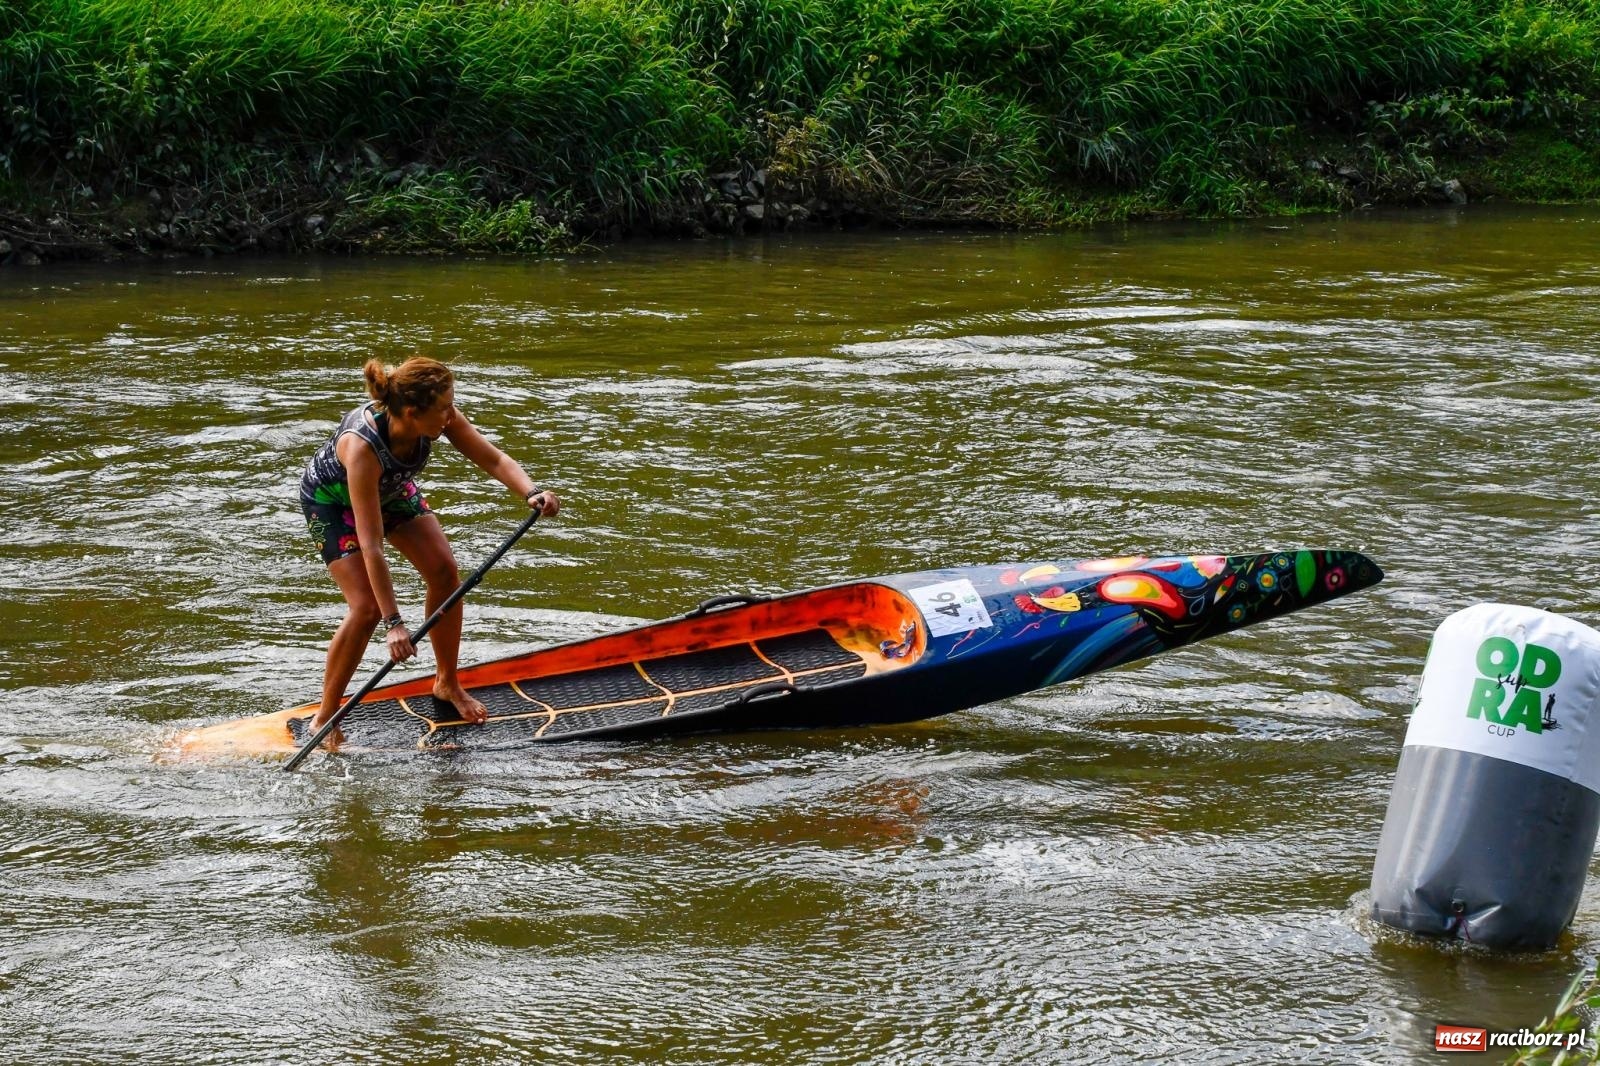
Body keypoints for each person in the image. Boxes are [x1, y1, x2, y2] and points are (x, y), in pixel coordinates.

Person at [299, 356, 558, 741]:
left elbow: (493, 457)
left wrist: (532, 491)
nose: (450, 414)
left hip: (392, 487)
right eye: (443, 408)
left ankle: (446, 683)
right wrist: (394, 624)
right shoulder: (362, 449)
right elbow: (372, 547)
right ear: (411, 412)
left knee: (443, 573)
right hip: (334, 503)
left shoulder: (439, 416)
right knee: (367, 608)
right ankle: (325, 716)